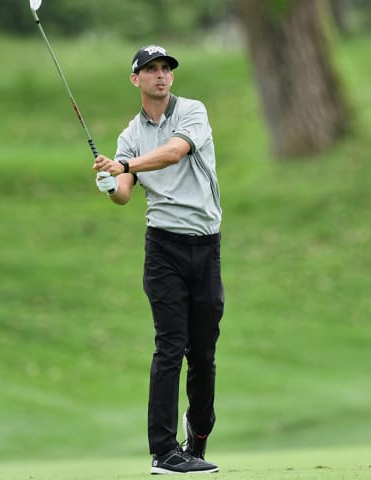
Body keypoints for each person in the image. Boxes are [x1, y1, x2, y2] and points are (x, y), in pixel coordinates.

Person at [92, 45, 223, 475]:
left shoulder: (192, 112)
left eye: (165, 68)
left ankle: (198, 434)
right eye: (151, 70)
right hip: (163, 247)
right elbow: (126, 196)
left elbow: (174, 152)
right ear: (136, 80)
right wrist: (110, 183)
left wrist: (124, 164)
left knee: (202, 353)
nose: (161, 76)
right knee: (170, 345)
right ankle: (164, 451)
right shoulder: (130, 134)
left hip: (205, 245)